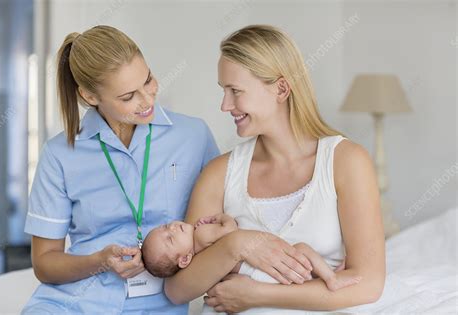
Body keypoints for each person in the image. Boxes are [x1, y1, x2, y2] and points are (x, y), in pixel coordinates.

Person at [164, 25, 385, 314]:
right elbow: (178, 289)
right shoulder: (220, 173)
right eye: (223, 91)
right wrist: (237, 244)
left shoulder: (346, 162)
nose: (225, 105)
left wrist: (257, 295)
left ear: (281, 89)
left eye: (235, 91)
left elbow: (368, 283)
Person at [22, 25, 219, 314]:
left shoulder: (194, 136)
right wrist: (99, 261)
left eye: (148, 80)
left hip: (161, 303)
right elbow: (44, 263)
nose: (148, 100)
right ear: (90, 96)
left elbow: (218, 228)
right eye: (128, 97)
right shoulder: (59, 154)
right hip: (71, 304)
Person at [143, 214, 361, 293]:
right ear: (185, 259)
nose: (171, 228)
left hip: (252, 275)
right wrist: (222, 218)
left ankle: (329, 272)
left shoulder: (196, 262)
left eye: (164, 227)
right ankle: (332, 277)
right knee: (301, 251)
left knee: (299, 273)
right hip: (254, 268)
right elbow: (230, 230)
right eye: (170, 238)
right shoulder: (200, 234)